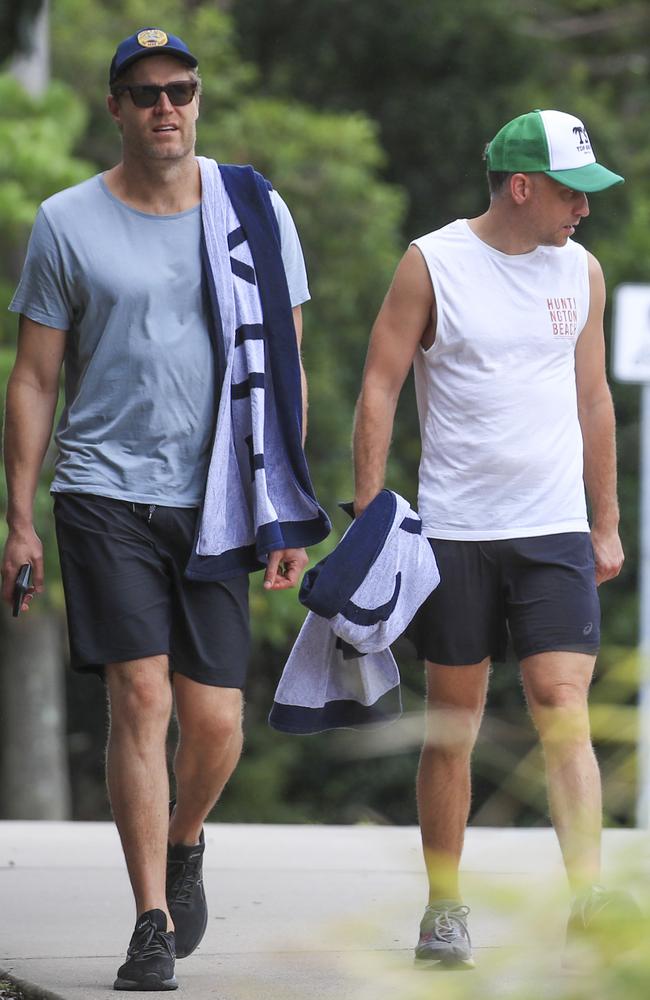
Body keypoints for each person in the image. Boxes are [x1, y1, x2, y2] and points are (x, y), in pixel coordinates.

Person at [2, 27, 329, 992]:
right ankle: (150, 917)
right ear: (115, 107)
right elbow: (33, 378)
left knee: (217, 722)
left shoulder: (252, 214)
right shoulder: (66, 221)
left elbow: (286, 367)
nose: (165, 107)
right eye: (144, 93)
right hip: (103, 490)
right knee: (140, 698)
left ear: (197, 99)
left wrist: (285, 505)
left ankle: (187, 840)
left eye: (180, 89)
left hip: (222, 495)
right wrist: (19, 516)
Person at [352, 109, 637, 968]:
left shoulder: (580, 270)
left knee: (562, 706)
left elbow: (594, 401)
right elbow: (379, 386)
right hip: (457, 533)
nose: (583, 208)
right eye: (570, 191)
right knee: (455, 723)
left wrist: (607, 518)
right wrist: (371, 518)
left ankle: (587, 894)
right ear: (521, 186)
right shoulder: (433, 262)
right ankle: (444, 909)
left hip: (551, 531)